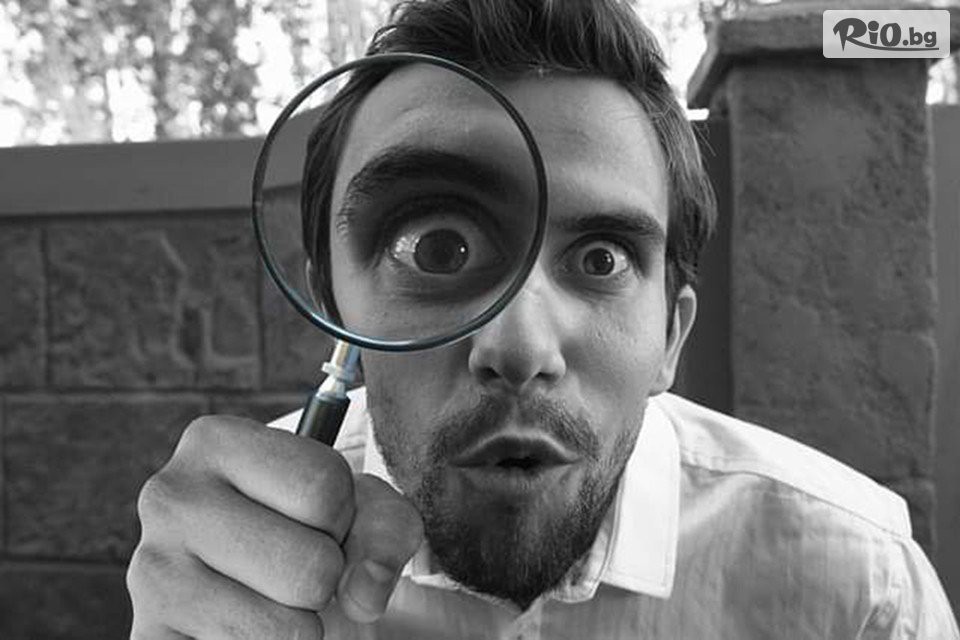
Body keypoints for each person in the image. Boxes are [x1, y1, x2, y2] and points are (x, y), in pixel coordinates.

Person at [125, 0, 959, 638]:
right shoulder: (240, 563)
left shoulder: (861, 589)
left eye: (600, 260)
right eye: (438, 247)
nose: (519, 346)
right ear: (335, 309)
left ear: (670, 337)